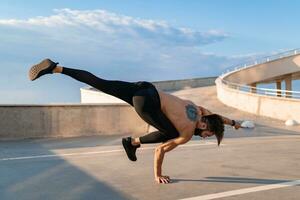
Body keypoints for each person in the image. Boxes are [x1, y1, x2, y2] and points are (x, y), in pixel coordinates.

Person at [29, 59, 241, 184]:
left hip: (144, 88)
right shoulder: (186, 133)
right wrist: (158, 175)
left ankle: (56, 68)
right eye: (208, 135)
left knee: (99, 83)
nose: (205, 137)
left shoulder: (197, 108)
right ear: (204, 125)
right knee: (170, 134)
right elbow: (160, 151)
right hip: (147, 102)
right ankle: (131, 143)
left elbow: (217, 117)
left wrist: (233, 122)